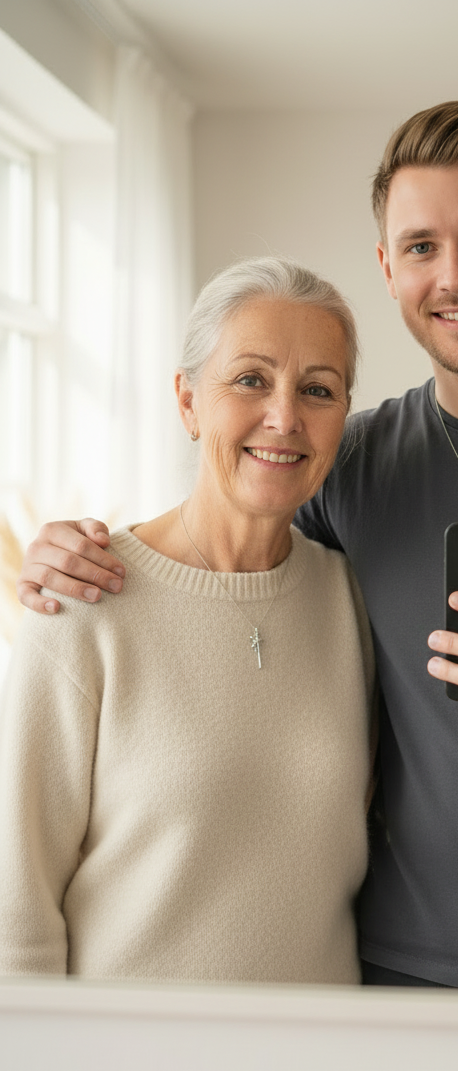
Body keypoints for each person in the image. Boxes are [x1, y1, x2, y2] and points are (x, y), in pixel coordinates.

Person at [16, 101, 458, 996]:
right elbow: (225, 567)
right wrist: (69, 553)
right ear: (389, 267)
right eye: (422, 247)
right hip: (395, 979)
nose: (455, 276)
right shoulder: (348, 461)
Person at [0, 256, 375, 985]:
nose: (285, 417)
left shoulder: (349, 599)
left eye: (318, 390)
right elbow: (15, 901)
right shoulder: (82, 604)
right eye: (250, 380)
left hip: (322, 1069)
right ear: (187, 402)